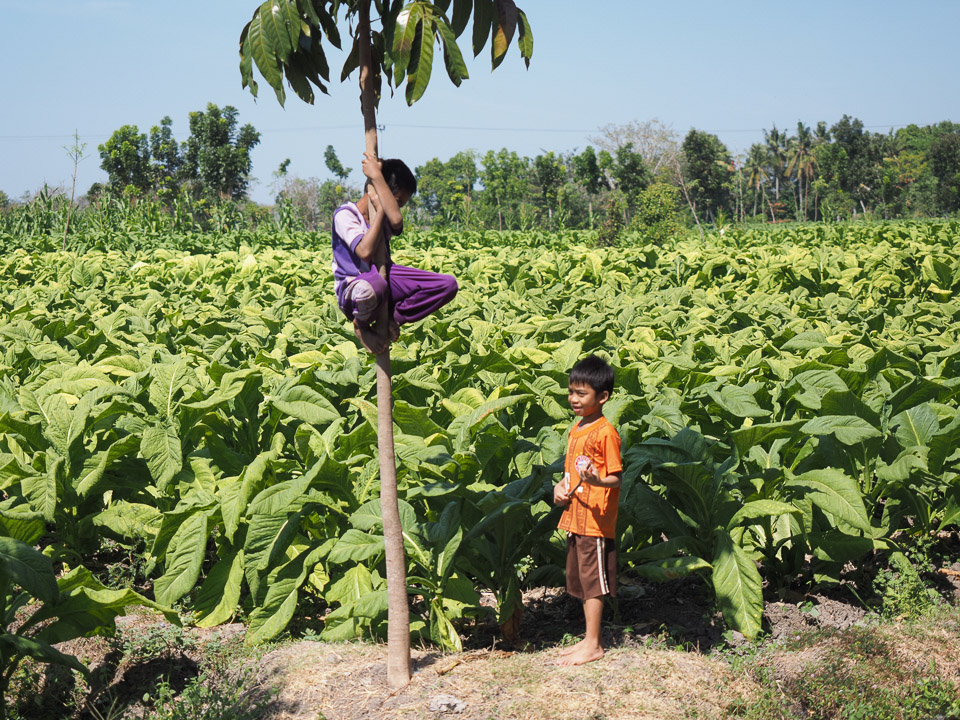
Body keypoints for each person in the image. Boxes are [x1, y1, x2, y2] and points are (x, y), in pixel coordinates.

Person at [332, 152, 459, 354]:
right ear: (385, 193)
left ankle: (394, 317)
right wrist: (379, 205)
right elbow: (364, 251)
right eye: (398, 201)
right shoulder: (346, 215)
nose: (398, 208)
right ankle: (361, 327)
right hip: (355, 290)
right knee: (372, 286)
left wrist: (376, 177)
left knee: (447, 285)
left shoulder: (390, 219)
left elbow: (397, 220)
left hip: (383, 283)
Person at [552, 354, 623, 666]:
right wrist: (559, 488)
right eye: (571, 392)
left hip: (595, 519)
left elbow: (616, 477)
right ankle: (587, 639)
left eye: (581, 394)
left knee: (593, 582)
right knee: (580, 580)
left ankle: (593, 643)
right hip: (576, 515)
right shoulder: (578, 427)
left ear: (603, 397)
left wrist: (598, 479)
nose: (573, 399)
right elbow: (571, 471)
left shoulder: (605, 432)